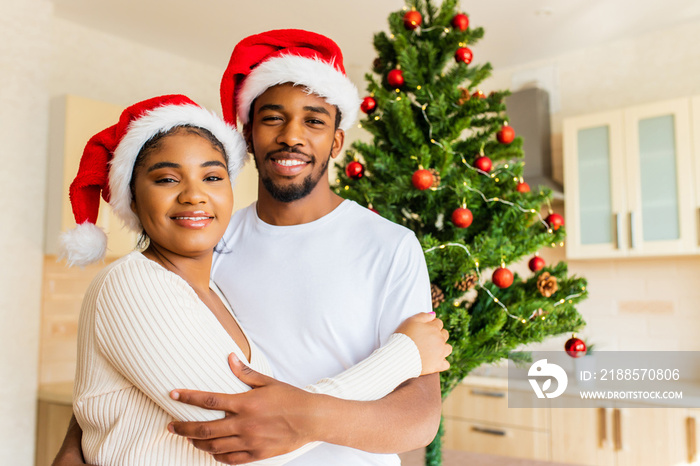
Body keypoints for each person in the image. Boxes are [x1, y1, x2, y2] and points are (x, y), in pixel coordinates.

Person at [54, 29, 444, 466]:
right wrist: (77, 444)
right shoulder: (206, 243)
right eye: (273, 118)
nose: (291, 136)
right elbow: (141, 362)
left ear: (337, 140)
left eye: (314, 120)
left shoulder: (389, 246)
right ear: (248, 134)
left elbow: (420, 417)